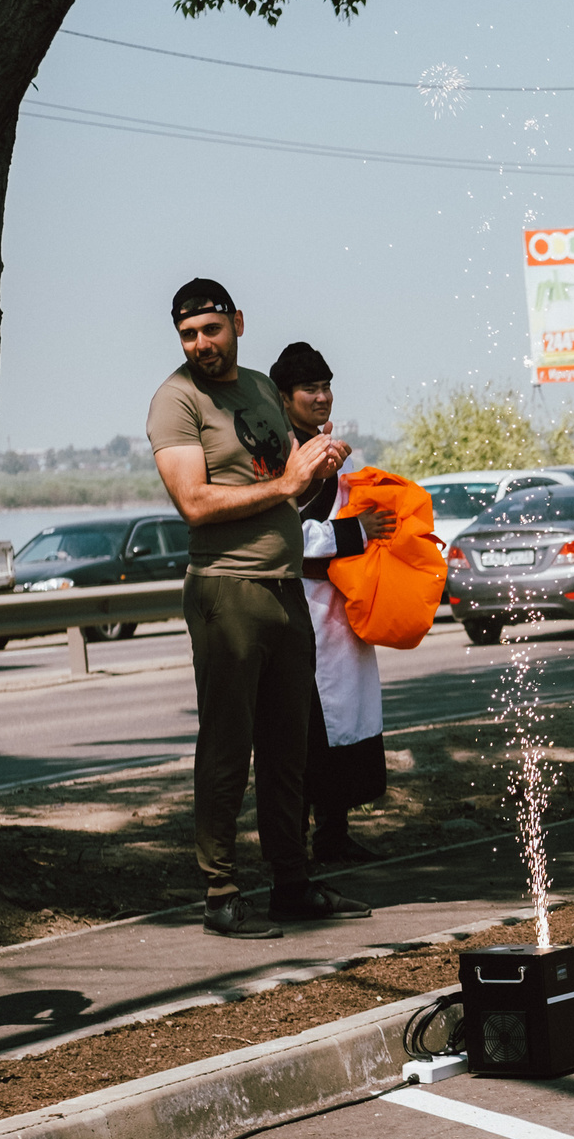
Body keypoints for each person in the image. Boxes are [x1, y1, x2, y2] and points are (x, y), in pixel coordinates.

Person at [147, 280, 371, 937]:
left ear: (237, 323)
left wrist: (318, 472)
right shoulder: (176, 401)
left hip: (284, 587)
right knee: (226, 748)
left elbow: (285, 494)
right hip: (227, 589)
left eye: (211, 330)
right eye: (189, 335)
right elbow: (195, 502)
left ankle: (291, 883)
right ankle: (220, 891)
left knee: (288, 749)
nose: (201, 345)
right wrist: (288, 481)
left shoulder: (259, 391)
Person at [270, 342, 393, 863]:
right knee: (302, 732)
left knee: (341, 721)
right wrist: (354, 531)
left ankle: (334, 833)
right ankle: (293, 845)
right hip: (298, 605)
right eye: (309, 389)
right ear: (283, 397)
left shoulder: (323, 447)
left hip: (338, 607)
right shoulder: (280, 454)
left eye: (325, 387)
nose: (321, 397)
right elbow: (281, 536)